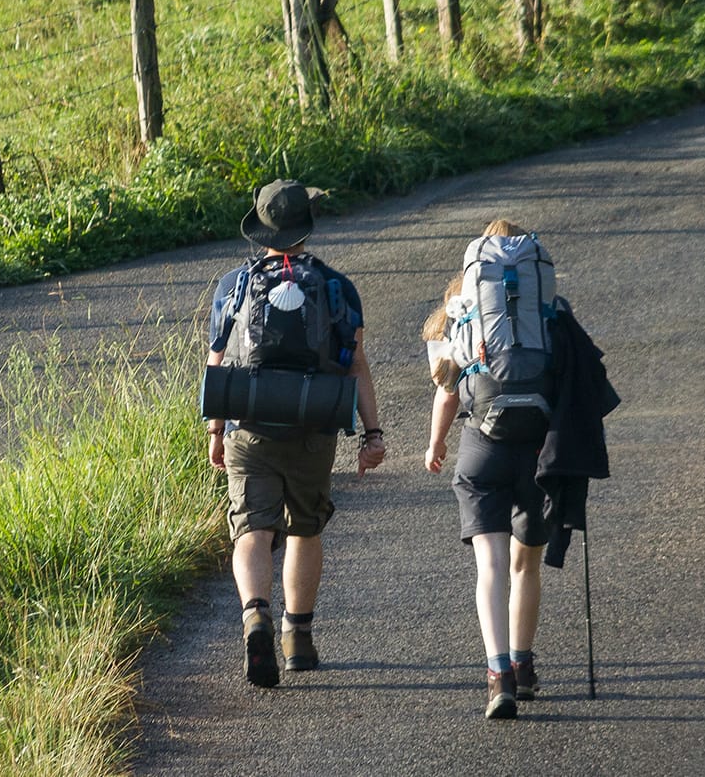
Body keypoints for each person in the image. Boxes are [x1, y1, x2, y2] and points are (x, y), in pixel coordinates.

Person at [206, 179, 385, 687]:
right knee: (305, 528)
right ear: (307, 227)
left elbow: (216, 360)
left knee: (251, 529)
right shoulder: (336, 287)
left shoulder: (233, 285)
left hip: (248, 424)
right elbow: (355, 365)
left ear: (261, 228)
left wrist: (216, 429)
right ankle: (297, 640)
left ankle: (255, 616)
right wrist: (372, 434)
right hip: (313, 425)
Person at [423, 221, 556, 720]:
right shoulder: (546, 309)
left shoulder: (460, 314)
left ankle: (498, 675)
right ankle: (523, 663)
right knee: (526, 565)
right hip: (538, 449)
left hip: (483, 448)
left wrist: (436, 443)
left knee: (491, 566)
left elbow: (446, 390)